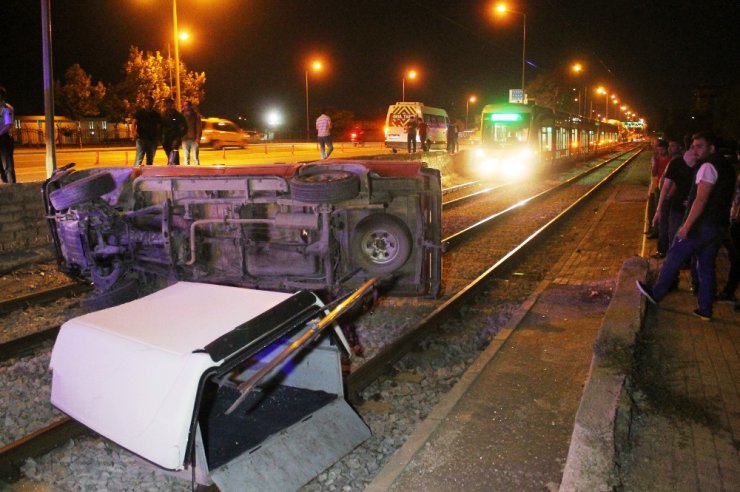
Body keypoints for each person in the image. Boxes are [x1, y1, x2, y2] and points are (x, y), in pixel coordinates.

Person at [637, 131, 737, 321]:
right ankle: (705, 309)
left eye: (700, 146)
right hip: (718, 225)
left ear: (711, 148)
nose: (695, 150)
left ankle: (656, 294)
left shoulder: (708, 166)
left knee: (674, 256)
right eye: (693, 146)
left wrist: (686, 226)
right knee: (706, 267)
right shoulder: (726, 166)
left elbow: (700, 200)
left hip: (701, 225)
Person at [651, 138, 691, 257]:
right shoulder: (673, 160)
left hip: (669, 197)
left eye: (673, 146)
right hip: (666, 195)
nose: (669, 148)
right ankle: (665, 249)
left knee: (667, 224)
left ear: (680, 148)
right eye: (669, 146)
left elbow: (674, 180)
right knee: (665, 223)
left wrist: (670, 192)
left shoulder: (678, 162)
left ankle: (665, 250)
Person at [717, 147, 740, 310]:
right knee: (735, 259)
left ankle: (729, 291)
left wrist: (734, 218)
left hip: (738, 222)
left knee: (736, 258)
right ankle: (729, 291)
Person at [646, 139, 671, 238]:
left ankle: (658, 232)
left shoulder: (671, 160)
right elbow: (654, 173)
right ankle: (655, 230)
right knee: (655, 209)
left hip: (667, 188)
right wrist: (654, 163)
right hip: (658, 187)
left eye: (662, 149)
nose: (660, 152)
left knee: (661, 210)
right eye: (658, 149)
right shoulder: (657, 159)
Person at [132, 96, 162, 166]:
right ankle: (135, 174)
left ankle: (148, 175)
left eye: (150, 102)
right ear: (144, 103)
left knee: (150, 160)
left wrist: (158, 138)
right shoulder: (140, 112)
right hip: (141, 138)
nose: (148, 104)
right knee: (139, 158)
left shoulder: (156, 114)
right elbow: (134, 123)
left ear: (153, 103)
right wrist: (134, 132)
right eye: (146, 102)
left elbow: (159, 126)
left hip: (152, 140)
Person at [161, 98, 187, 165]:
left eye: (169, 103)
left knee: (174, 158)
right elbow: (159, 127)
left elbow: (185, 127)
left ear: (172, 104)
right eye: (166, 104)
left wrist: (178, 138)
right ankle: (171, 169)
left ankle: (175, 171)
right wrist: (161, 138)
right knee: (170, 157)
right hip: (166, 140)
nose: (168, 105)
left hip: (175, 139)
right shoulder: (163, 115)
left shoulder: (178, 115)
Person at [0, 86, 16, 184]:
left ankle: (12, 189)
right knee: (1, 169)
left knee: (8, 167)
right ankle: (6, 189)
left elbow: (8, 124)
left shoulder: (6, 108)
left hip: (4, 140)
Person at [181, 100, 202, 166]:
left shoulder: (196, 115)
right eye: (184, 105)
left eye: (187, 105)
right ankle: (187, 173)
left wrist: (198, 138)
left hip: (194, 139)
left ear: (190, 106)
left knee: (195, 157)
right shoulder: (181, 115)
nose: (185, 107)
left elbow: (199, 127)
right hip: (184, 139)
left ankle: (197, 172)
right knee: (186, 158)